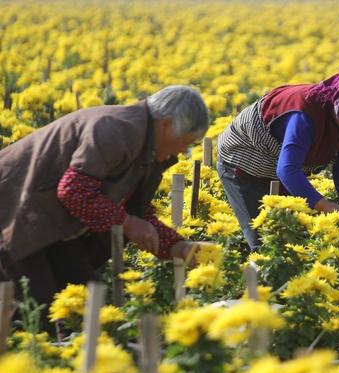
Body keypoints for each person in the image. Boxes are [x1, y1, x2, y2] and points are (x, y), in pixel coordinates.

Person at [0, 85, 209, 317]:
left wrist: (178, 246)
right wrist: (127, 223)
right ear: (167, 124)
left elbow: (135, 211)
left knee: (87, 302)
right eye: (186, 142)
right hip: (16, 215)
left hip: (50, 224)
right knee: (37, 309)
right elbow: (73, 190)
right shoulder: (116, 130)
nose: (182, 151)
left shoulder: (147, 146)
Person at [216, 63, 339, 250]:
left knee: (295, 240)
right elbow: (287, 169)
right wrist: (323, 205)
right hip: (244, 161)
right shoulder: (305, 114)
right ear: (337, 101)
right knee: (265, 242)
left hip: (283, 165)